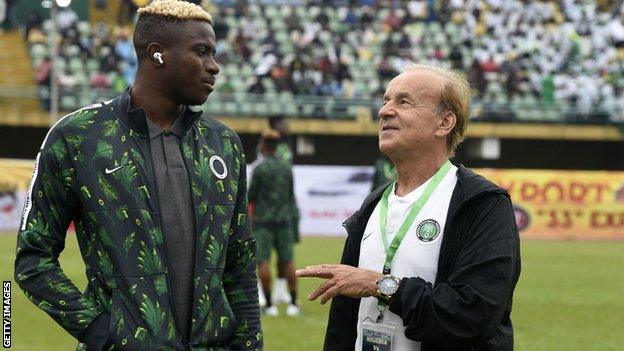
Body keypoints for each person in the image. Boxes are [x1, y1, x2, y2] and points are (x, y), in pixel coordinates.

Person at [14, 1, 262, 350]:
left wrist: (250, 345)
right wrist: (100, 332)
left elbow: (239, 263)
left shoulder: (224, 144)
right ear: (157, 54)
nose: (214, 66)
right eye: (202, 52)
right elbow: (32, 259)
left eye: (214, 54)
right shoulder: (79, 137)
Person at [297, 64, 521, 351]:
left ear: (445, 122)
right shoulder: (373, 206)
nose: (384, 111)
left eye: (403, 101)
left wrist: (381, 285)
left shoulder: (481, 204)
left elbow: (474, 315)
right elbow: (343, 324)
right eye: (385, 100)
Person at [249, 129, 299, 317]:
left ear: (263, 145)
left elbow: (251, 196)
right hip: (284, 221)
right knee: (288, 260)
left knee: (263, 261)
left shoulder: (259, 169)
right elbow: (291, 196)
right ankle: (294, 303)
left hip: (263, 222)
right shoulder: (286, 168)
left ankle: (270, 304)